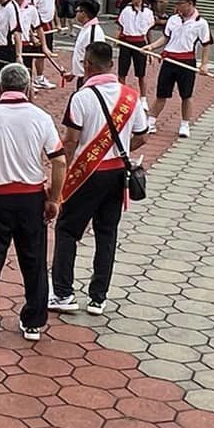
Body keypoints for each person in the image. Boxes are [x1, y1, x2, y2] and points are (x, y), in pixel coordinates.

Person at [0, 62, 66, 345]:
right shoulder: (41, 117)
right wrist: (54, 198)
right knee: (33, 261)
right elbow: (59, 161)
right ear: (28, 88)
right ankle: (33, 321)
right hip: (32, 198)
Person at [50, 39, 151, 316]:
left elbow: (70, 142)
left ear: (88, 65)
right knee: (107, 234)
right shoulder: (130, 97)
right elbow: (142, 136)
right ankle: (98, 297)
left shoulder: (81, 97)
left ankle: (63, 292)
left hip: (86, 175)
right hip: (118, 175)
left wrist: (64, 172)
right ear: (112, 65)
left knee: (68, 231)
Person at [157, 0, 211, 139]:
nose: (178, 6)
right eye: (177, 3)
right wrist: (151, 46)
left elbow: (206, 44)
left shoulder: (201, 23)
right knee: (161, 94)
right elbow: (166, 38)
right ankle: (151, 121)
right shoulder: (173, 19)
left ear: (190, 4)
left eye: (181, 3)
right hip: (169, 60)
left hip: (186, 61)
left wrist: (204, 64)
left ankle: (185, 124)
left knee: (186, 95)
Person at [116, 0, 155, 96]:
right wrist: (116, 41)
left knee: (141, 73)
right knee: (122, 72)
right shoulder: (126, 10)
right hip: (126, 43)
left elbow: (148, 32)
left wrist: (150, 48)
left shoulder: (148, 12)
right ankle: (121, 95)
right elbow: (120, 27)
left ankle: (143, 97)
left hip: (140, 44)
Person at [27, 0, 60, 87]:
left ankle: (40, 77)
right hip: (37, 24)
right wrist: (32, 33)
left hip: (48, 23)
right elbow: (30, 9)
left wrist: (56, 22)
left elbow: (53, 5)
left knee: (44, 52)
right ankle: (31, 78)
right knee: (34, 52)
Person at [66, 0, 105, 83]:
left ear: (83, 13)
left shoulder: (93, 32)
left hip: (89, 78)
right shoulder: (86, 29)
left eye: (77, 11)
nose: (76, 14)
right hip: (84, 76)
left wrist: (88, 78)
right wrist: (74, 73)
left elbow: (94, 57)